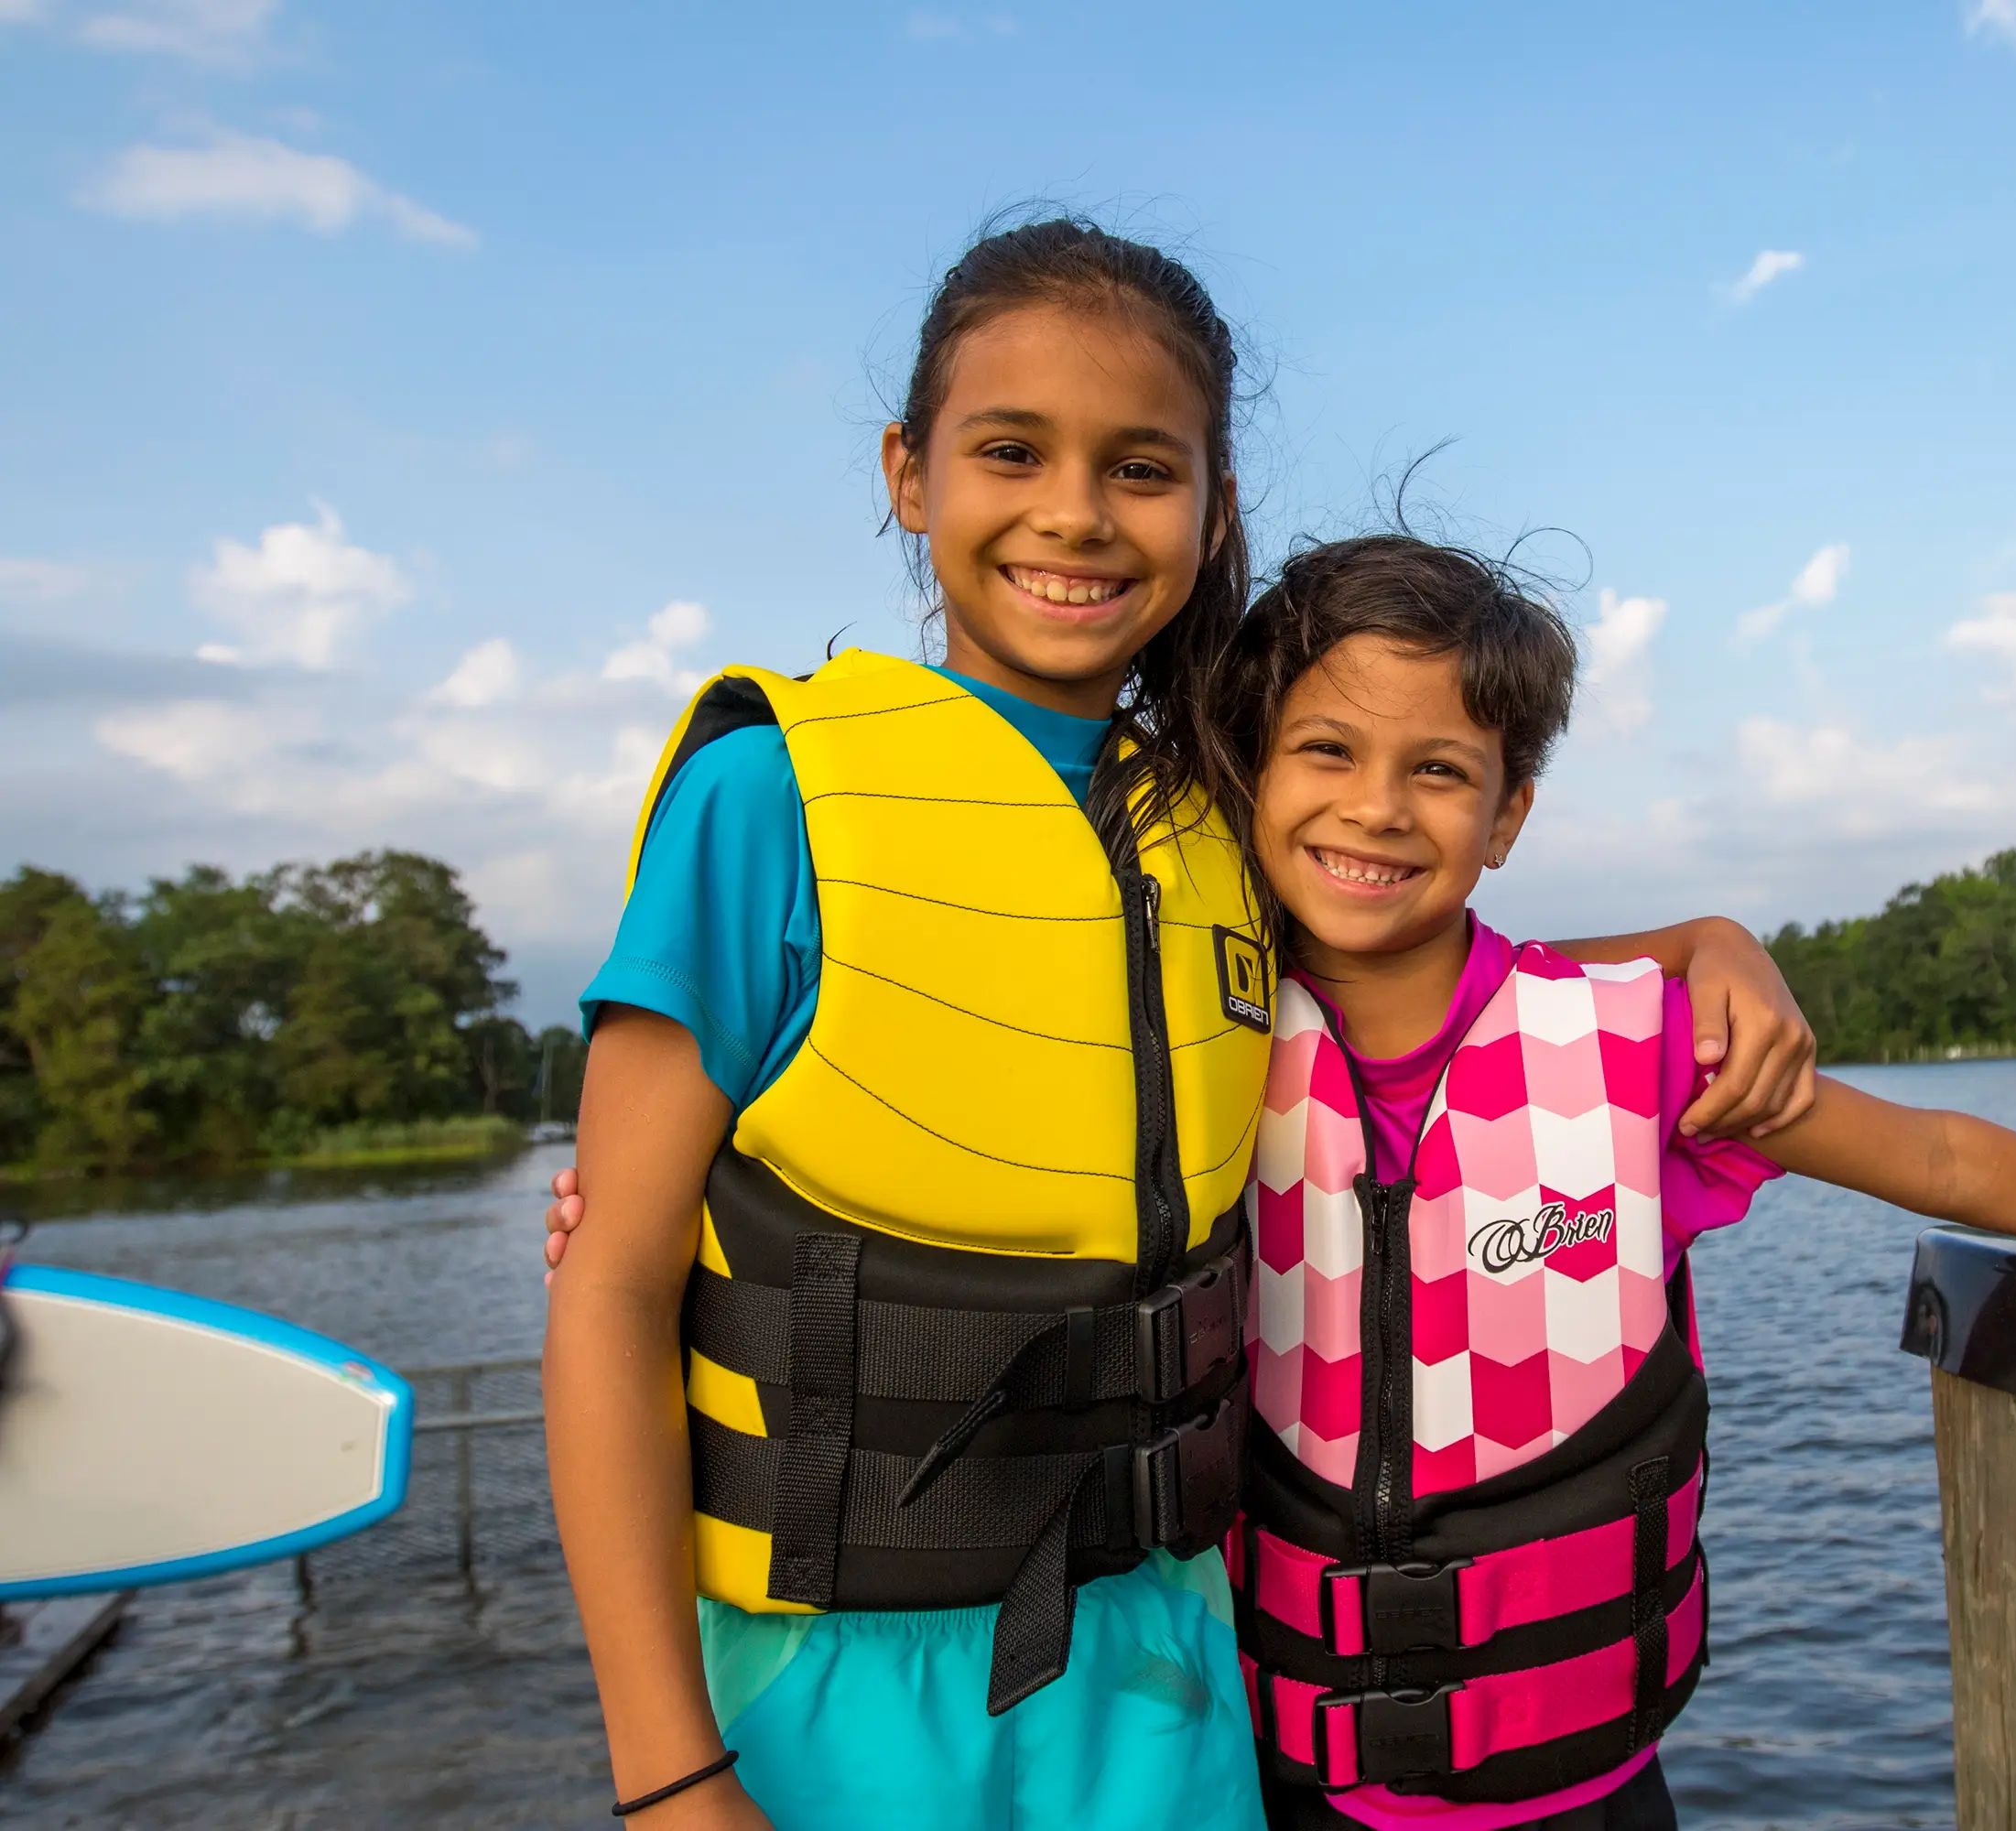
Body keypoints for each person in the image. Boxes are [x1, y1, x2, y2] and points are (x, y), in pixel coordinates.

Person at [542, 223, 1822, 1831]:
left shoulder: (1209, 820)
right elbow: (612, 1285)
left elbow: (1432, 970)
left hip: (1169, 1664)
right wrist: (667, 1772)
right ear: (908, 472)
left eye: (1141, 468)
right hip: (840, 1675)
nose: (1073, 511)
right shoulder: (764, 801)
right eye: (1011, 450)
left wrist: (1704, 945)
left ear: (1211, 512)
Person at [1204, 536, 2016, 1830]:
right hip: (1277, 1787)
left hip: (1581, 1793)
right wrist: (1701, 934)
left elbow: (1940, 1157)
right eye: (1327, 750)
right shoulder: (1201, 1040)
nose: (1377, 807)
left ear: (1507, 817)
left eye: (1438, 770)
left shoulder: (1636, 1053)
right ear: (1250, 771)